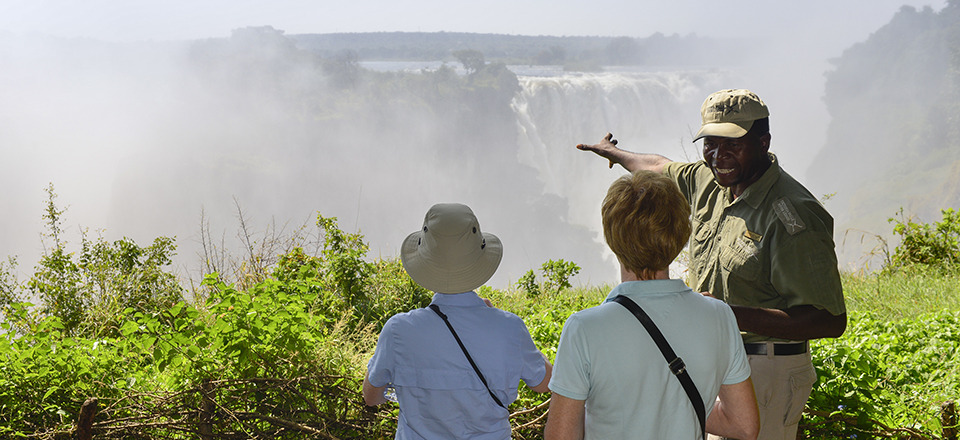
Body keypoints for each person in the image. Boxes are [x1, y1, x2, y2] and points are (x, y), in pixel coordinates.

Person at [576, 88, 847, 439]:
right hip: (718, 358)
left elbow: (829, 319)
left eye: (733, 144)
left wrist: (724, 313)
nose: (718, 156)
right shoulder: (712, 183)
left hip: (767, 368)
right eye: (711, 144)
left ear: (763, 142)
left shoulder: (791, 215)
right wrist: (615, 153)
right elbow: (659, 166)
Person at [544, 170, 760, 440]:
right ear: (681, 234)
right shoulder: (719, 316)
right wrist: (681, 411)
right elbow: (743, 425)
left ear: (612, 238)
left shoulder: (584, 329)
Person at [362, 203, 553, 439]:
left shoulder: (398, 330)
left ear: (425, 261)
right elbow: (545, 383)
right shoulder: (509, 328)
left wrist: (404, 390)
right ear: (479, 259)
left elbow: (371, 397)